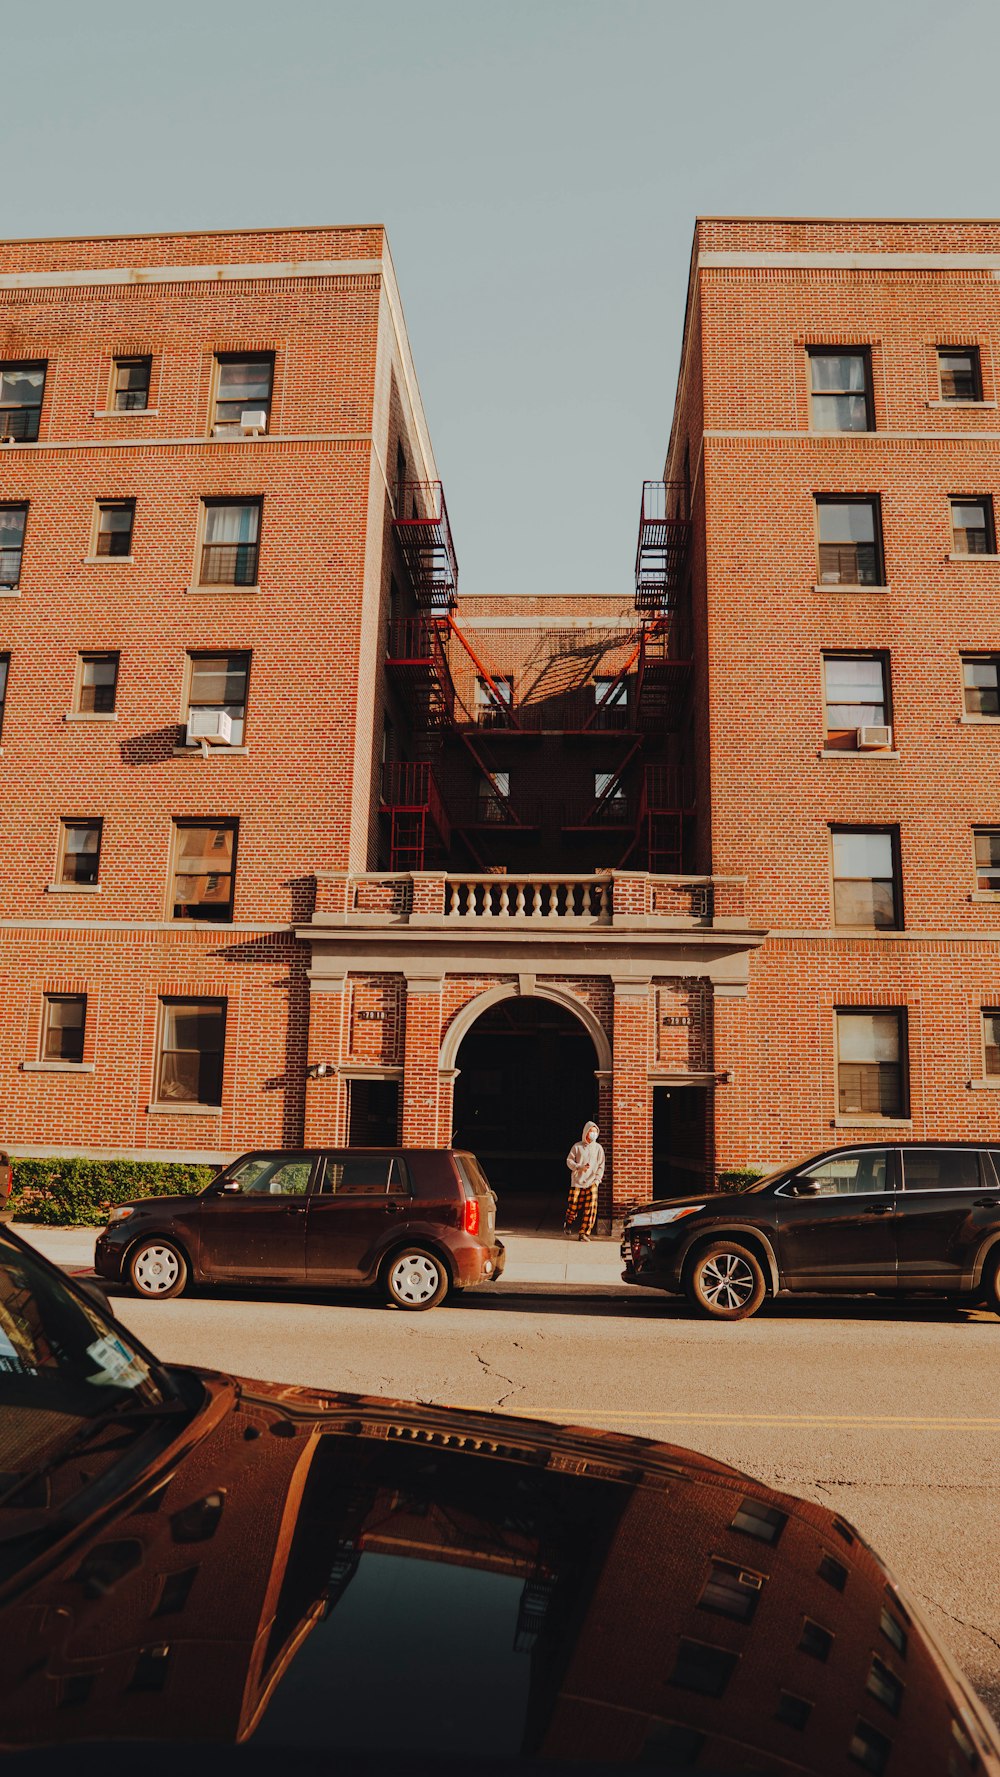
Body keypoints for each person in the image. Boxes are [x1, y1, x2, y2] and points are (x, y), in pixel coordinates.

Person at [564, 1121, 605, 1241]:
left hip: (592, 1182)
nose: (593, 1134)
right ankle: (569, 1221)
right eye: (591, 1131)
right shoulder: (577, 1147)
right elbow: (569, 1161)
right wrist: (578, 1166)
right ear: (586, 1132)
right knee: (573, 1205)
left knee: (590, 1208)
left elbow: (601, 1165)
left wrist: (597, 1180)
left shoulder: (598, 1148)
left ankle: (584, 1233)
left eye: (595, 1131)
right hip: (578, 1181)